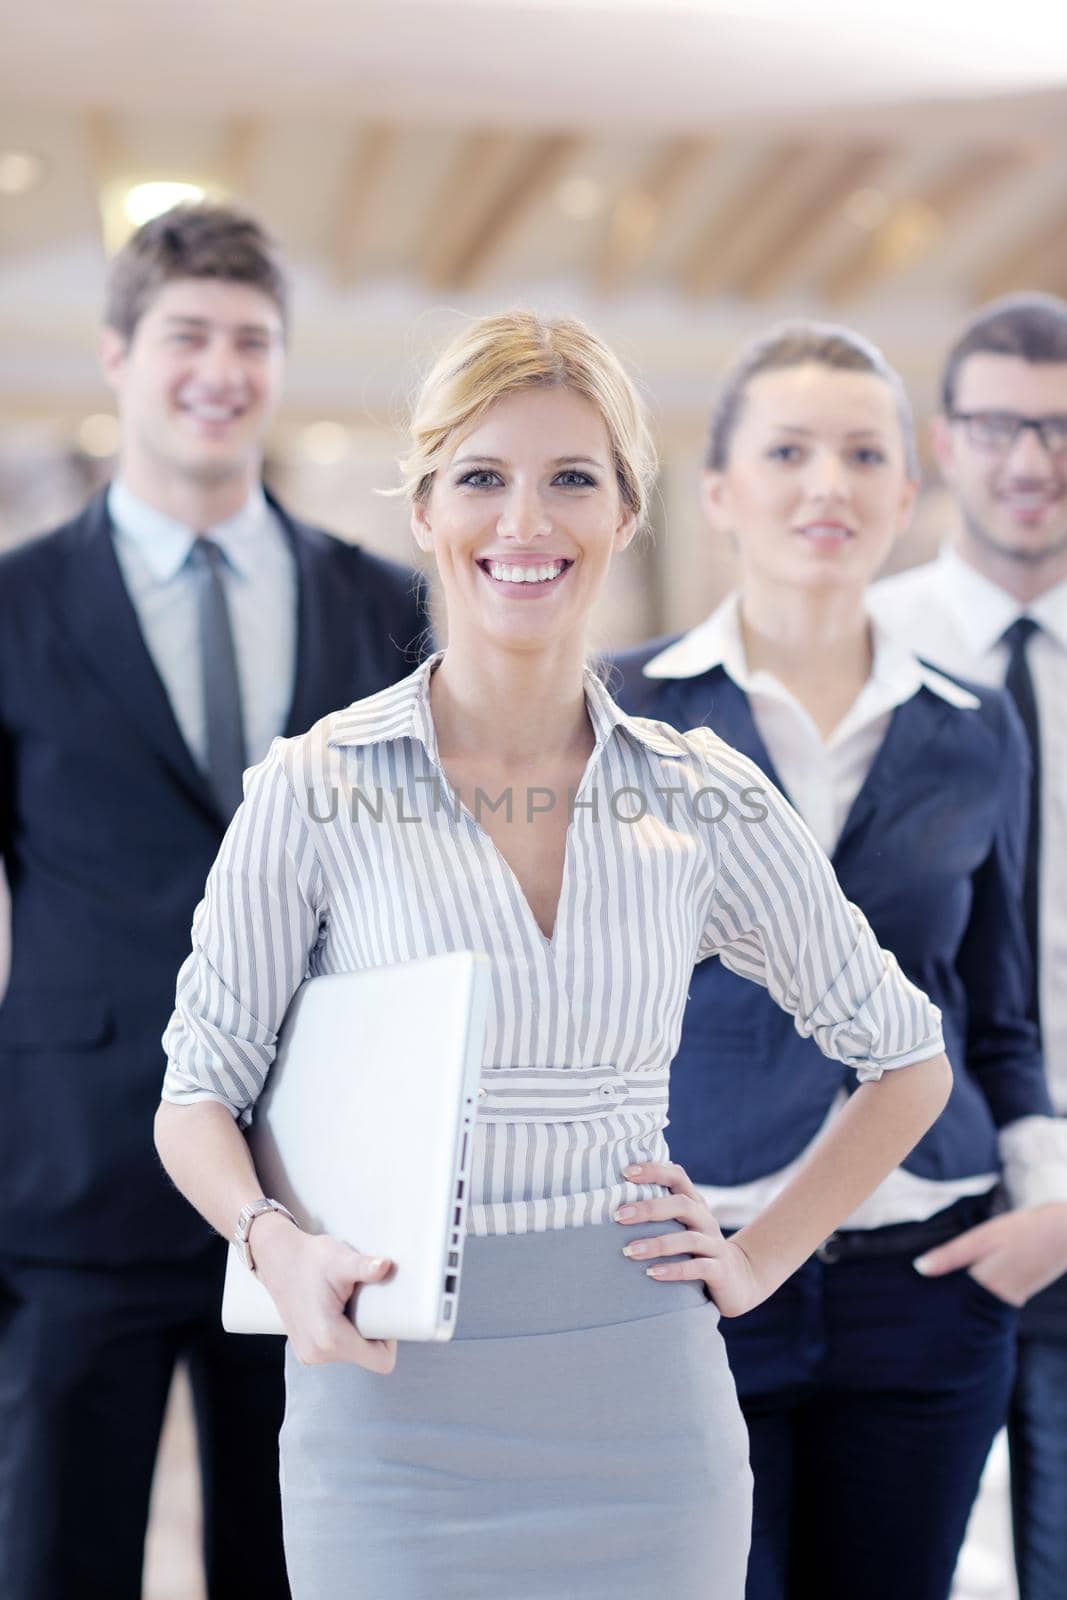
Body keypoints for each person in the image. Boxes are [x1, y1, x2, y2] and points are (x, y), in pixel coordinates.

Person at [153, 309, 952, 1600]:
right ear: (423, 511)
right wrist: (268, 1239)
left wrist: (752, 1257)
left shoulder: (700, 796)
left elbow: (903, 1058)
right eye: (481, 478)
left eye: (569, 478)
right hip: (386, 1412)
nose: (523, 524)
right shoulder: (313, 789)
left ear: (623, 513)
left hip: (645, 1414)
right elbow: (195, 1094)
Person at [0, 202, 426, 1600]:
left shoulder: (377, 607)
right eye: (187, 334)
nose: (219, 368)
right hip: (74, 1175)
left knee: (296, 1560)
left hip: (323, 1173)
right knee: (52, 1557)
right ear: (118, 356)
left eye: (251, 340)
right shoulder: (14, 605)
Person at [613, 321, 1067, 1600]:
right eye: (788, 450)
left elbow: (999, 1016)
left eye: (863, 453)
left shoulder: (971, 731)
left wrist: (1040, 1212)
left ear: (905, 494)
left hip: (924, 1279)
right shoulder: (619, 714)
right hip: (697, 1274)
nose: (828, 483)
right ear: (717, 493)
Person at [871, 293, 1067, 1600]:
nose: (1030, 460)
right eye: (998, 426)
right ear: (942, 444)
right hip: (906, 1211)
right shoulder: (861, 647)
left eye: (1058, 429)